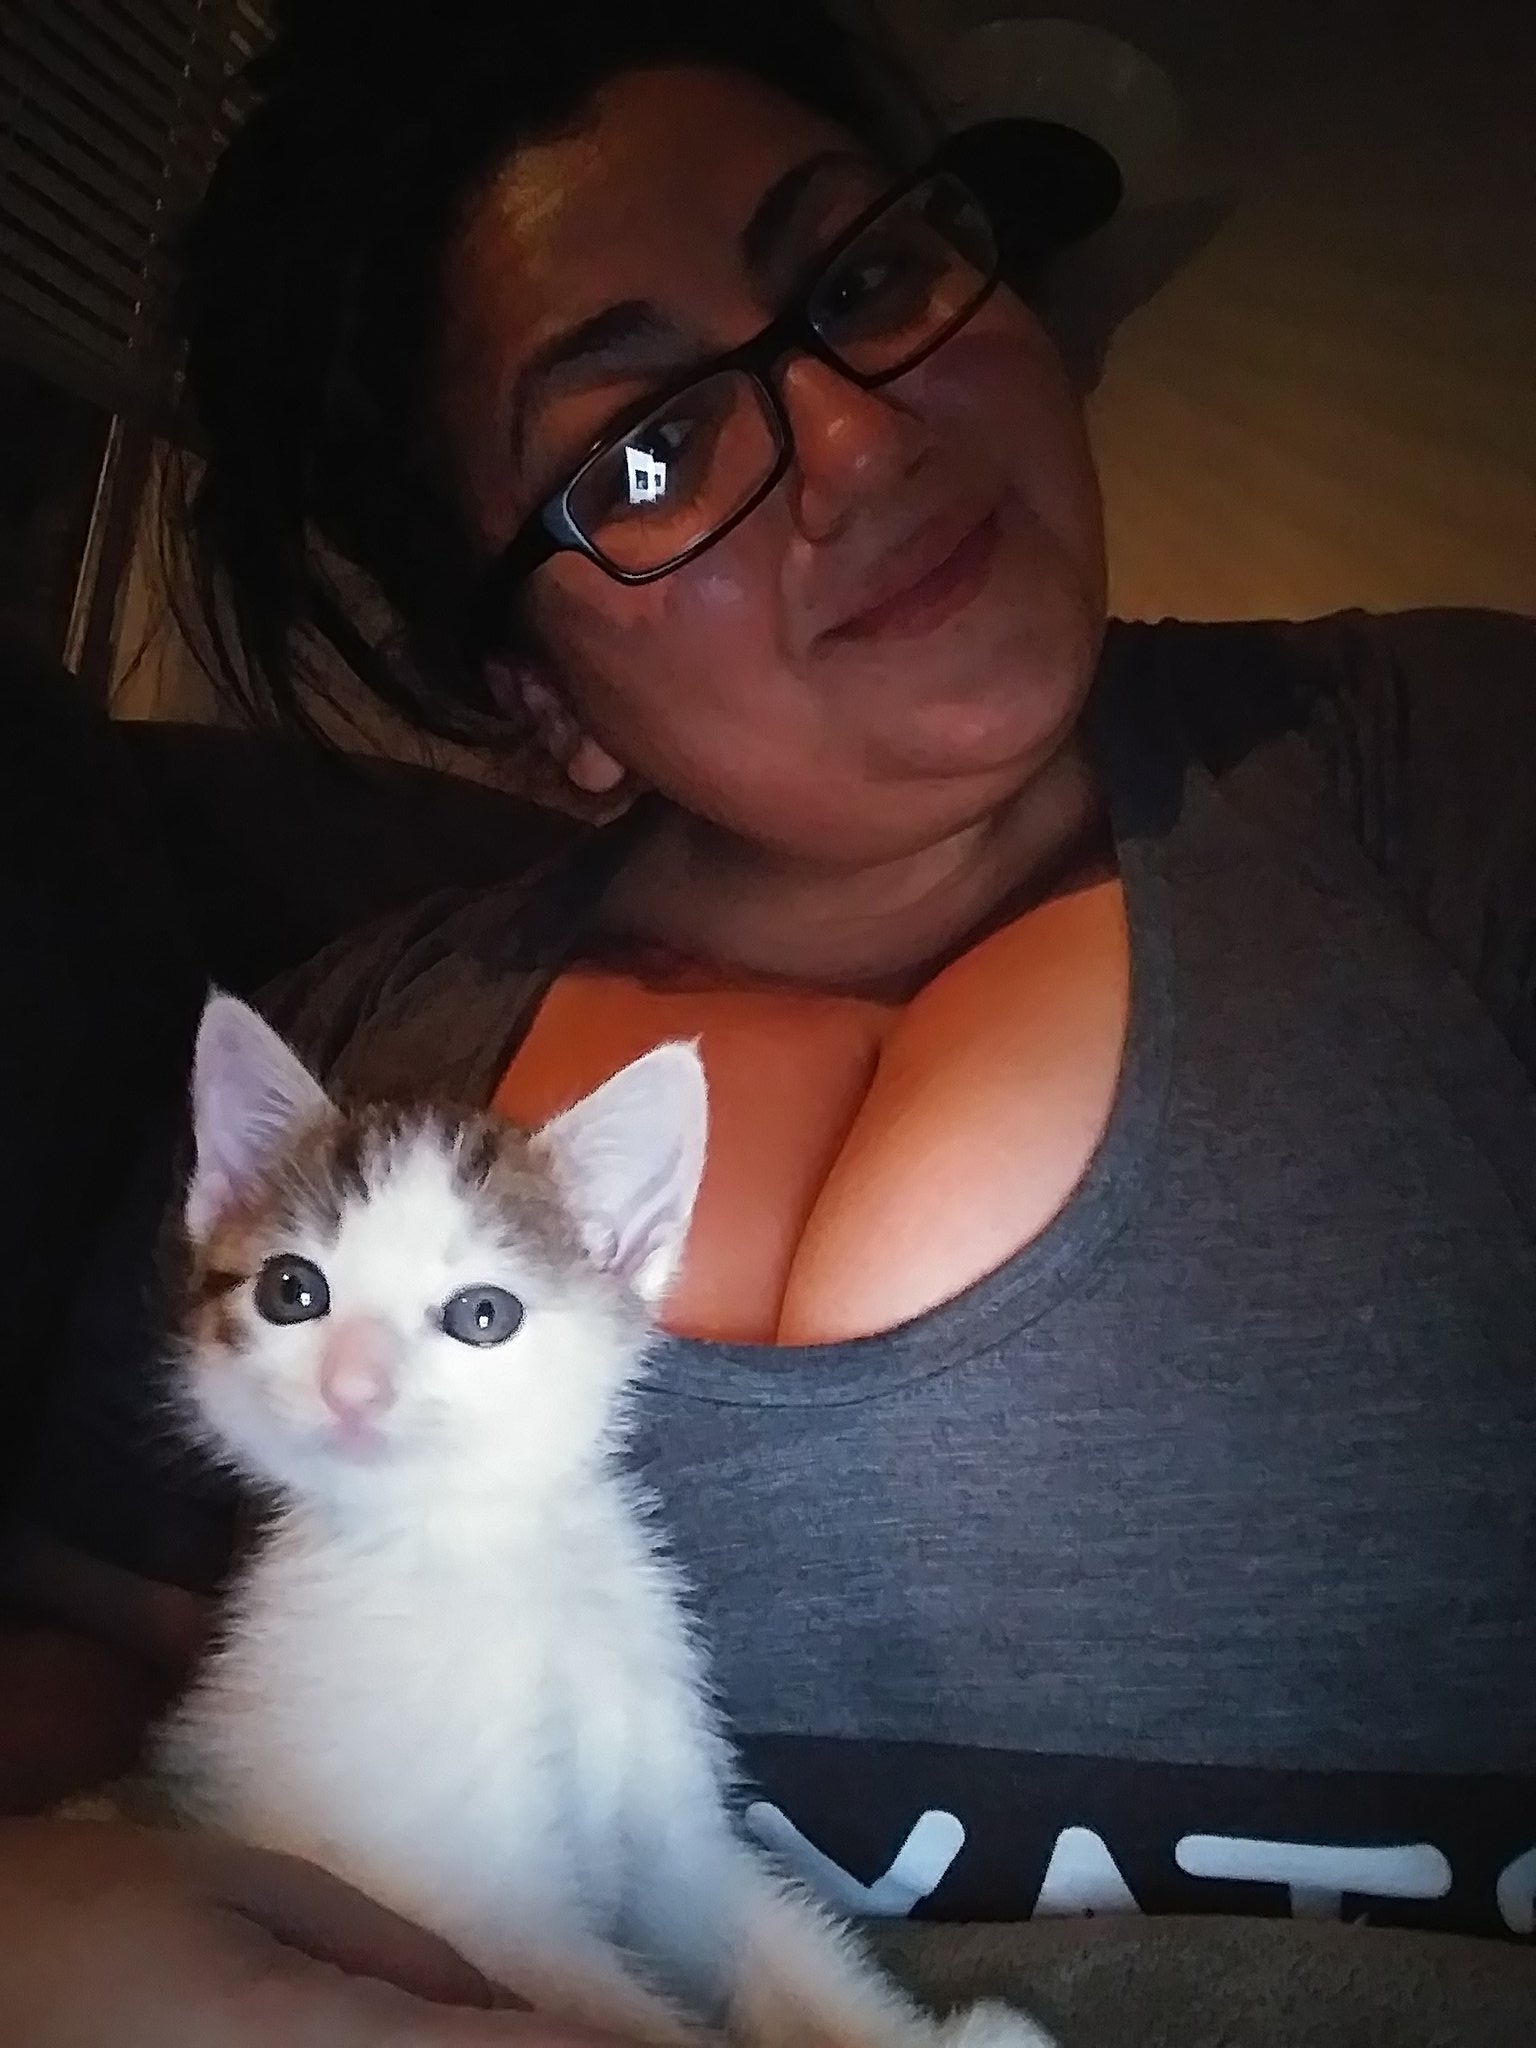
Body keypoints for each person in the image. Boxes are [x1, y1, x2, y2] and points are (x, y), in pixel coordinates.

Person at [3, 0, 1533, 2033]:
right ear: (528, 686)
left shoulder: (1456, 772)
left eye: (869, 278)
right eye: (647, 452)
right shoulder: (334, 1053)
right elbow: (100, 1661)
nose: (863, 440)